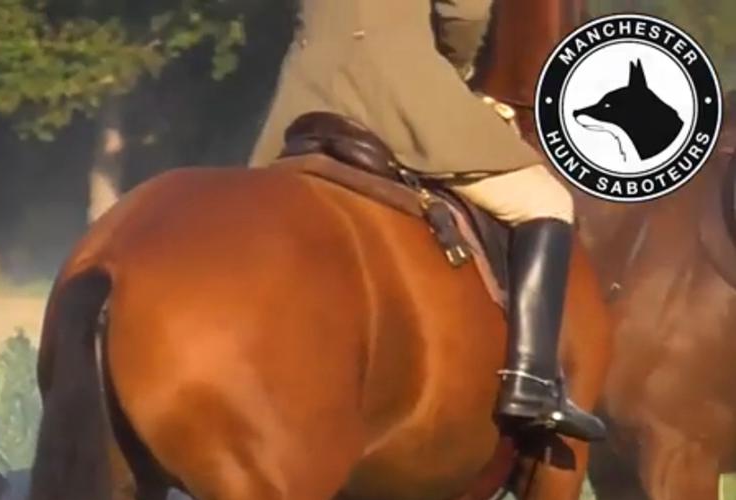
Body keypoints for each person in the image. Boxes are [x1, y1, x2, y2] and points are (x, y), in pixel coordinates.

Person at [248, 0, 606, 442]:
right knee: (545, 200)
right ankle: (531, 383)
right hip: (395, 87)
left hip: (303, 91)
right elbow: (466, 12)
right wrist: (453, 74)